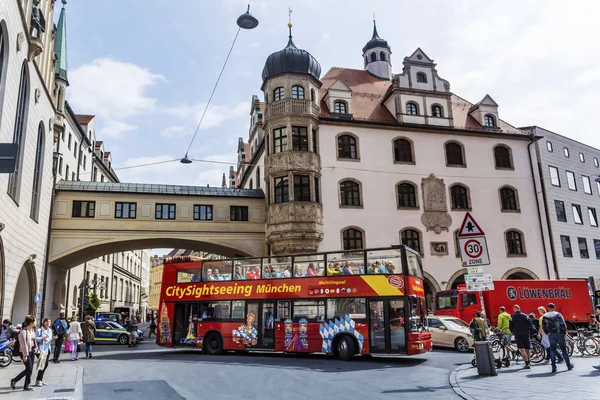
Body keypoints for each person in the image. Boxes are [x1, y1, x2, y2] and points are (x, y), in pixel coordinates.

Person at [542, 303, 573, 373]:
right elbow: (563, 325)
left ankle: (553, 367)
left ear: (548, 308)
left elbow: (544, 327)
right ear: (554, 308)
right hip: (559, 334)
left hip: (551, 334)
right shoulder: (558, 315)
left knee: (552, 350)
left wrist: (548, 332)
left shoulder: (545, 316)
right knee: (564, 350)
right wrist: (564, 332)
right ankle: (568, 365)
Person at [11, 315, 37, 391]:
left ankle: (26, 385)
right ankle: (14, 380)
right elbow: (23, 344)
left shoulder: (32, 330)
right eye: (35, 321)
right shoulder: (23, 332)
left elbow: (34, 340)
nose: (36, 322)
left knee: (30, 369)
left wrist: (35, 348)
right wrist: (25, 355)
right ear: (31, 322)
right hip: (24, 352)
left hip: (32, 351)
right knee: (29, 368)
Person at [509, 305, 535, 369]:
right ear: (519, 309)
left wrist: (512, 332)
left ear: (514, 309)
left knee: (522, 349)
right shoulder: (525, 316)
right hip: (526, 333)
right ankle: (529, 361)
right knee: (527, 349)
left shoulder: (512, 316)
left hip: (518, 334)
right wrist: (532, 331)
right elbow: (530, 324)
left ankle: (526, 363)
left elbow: (511, 326)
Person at [34, 317, 55, 386]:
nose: (48, 323)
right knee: (43, 364)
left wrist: (53, 339)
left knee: (45, 365)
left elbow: (49, 341)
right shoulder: (39, 330)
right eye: (47, 321)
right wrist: (42, 338)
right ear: (43, 323)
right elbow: (35, 339)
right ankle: (38, 380)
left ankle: (40, 379)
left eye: (49, 321)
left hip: (47, 349)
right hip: (41, 350)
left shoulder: (50, 330)